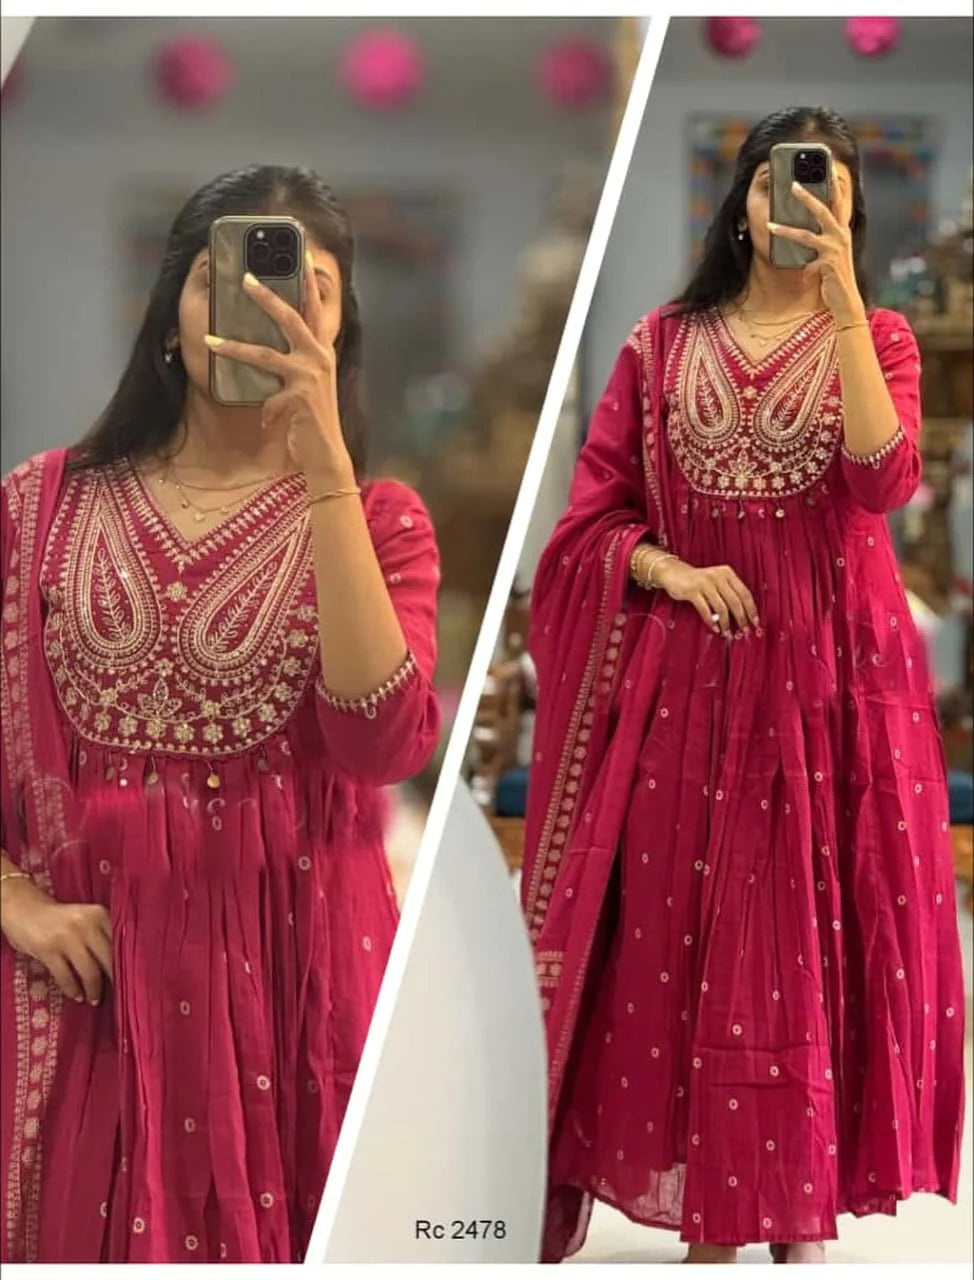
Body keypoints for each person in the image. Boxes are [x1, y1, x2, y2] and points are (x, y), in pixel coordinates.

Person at [522, 108, 965, 1265]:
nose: (795, 204)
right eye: (775, 183)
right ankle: (707, 1210)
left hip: (835, 686)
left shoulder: (877, 338)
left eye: (823, 188)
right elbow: (589, 521)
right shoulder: (659, 344)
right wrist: (669, 568)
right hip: (693, 681)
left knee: (821, 929)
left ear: (849, 211)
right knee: (679, 930)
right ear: (740, 202)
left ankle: (795, 1202)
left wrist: (841, 305)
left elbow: (883, 480)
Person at [0, 165, 441, 1263]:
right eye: (219, 278)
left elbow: (381, 742)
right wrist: (13, 898)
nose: (259, 306)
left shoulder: (381, 522)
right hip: (83, 985)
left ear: (337, 331)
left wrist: (324, 472)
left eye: (305, 287)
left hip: (297, 991)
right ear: (171, 317)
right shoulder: (40, 505)